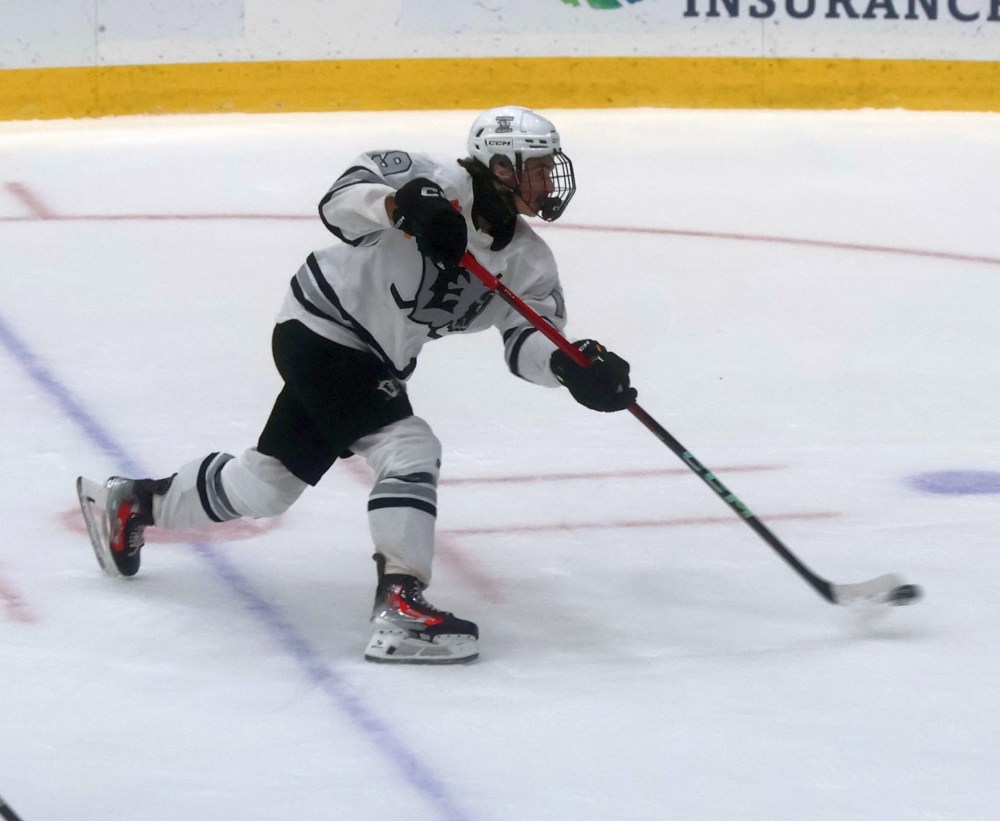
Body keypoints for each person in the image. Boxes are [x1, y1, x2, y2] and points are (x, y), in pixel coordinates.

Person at [76, 105, 637, 665]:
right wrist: (400, 206)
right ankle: (399, 605)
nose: (548, 180)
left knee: (266, 486)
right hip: (321, 326)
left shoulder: (529, 261)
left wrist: (569, 367)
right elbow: (340, 202)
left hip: (374, 359)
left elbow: (527, 342)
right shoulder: (431, 178)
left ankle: (135, 504)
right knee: (409, 447)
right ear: (502, 167)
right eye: (536, 167)